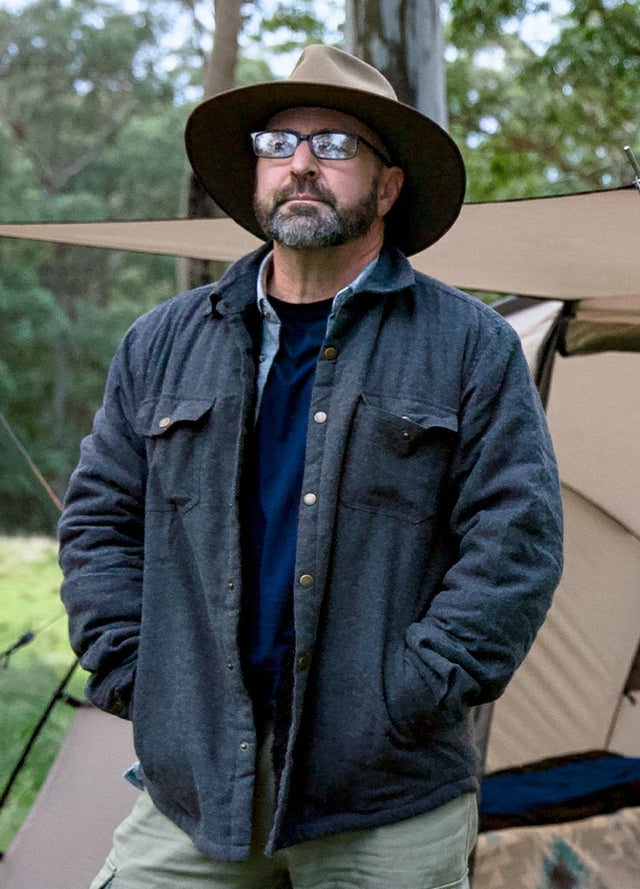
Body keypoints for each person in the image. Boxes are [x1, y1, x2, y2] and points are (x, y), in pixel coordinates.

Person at [59, 44, 563, 889]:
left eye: (333, 145)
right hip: (195, 789)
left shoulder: (469, 347)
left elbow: (517, 541)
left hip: (383, 796)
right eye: (277, 143)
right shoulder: (162, 343)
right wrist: (135, 673)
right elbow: (98, 519)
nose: (299, 163)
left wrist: (409, 691)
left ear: (389, 185)